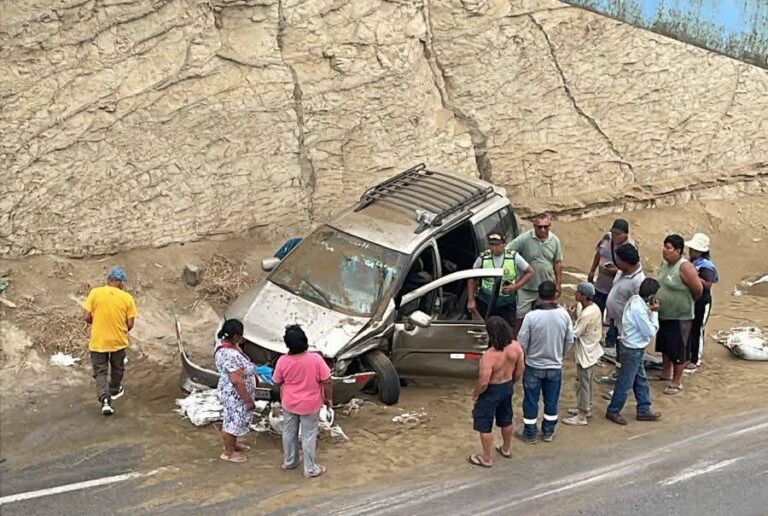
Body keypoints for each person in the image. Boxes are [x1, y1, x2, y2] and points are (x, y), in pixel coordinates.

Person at [516, 281, 573, 443]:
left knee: (531, 401)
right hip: (555, 366)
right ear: (555, 295)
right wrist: (559, 354)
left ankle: (530, 433)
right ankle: (548, 432)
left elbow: (522, 341)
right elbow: (569, 340)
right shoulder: (564, 315)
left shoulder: (531, 317)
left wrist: (527, 356)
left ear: (538, 296)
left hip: (534, 366)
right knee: (552, 401)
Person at [273, 325, 333, 478]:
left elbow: (277, 381)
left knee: (289, 432)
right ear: (305, 341)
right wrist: (328, 398)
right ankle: (310, 468)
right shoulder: (315, 359)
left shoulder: (282, 361)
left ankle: (290, 461)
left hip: (289, 403)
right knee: (308, 435)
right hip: (310, 404)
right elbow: (327, 380)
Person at [468, 317, 525, 468]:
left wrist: (476, 394)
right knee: (506, 418)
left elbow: (484, 381)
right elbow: (520, 371)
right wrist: (511, 383)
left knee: (485, 424)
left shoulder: (489, 355)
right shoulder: (516, 347)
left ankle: (487, 458)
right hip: (506, 387)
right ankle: (506, 449)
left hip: (491, 390)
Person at [605, 278, 663, 425]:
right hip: (632, 348)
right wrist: (655, 313)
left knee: (641, 379)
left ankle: (644, 408)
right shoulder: (639, 309)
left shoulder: (635, 301)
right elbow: (649, 331)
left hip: (631, 346)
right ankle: (613, 410)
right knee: (626, 382)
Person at [83, 267, 138, 416]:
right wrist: (120, 329)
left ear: (108, 280)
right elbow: (130, 324)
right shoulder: (127, 298)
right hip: (118, 340)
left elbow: (86, 316)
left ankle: (105, 401)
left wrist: (97, 324)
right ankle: (114, 389)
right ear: (121, 283)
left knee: (100, 372)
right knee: (117, 367)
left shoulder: (95, 293)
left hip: (98, 341)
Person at [654, 235, 703, 395]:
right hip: (664, 313)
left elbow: (698, 290)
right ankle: (666, 373)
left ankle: (677, 382)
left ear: (678, 250)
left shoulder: (685, 267)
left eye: (668, 248)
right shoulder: (664, 264)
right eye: (664, 246)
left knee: (678, 349)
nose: (664, 250)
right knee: (665, 345)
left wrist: (685, 303)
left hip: (681, 316)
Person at [598, 244, 646, 396]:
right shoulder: (622, 272)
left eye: (619, 260)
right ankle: (619, 378)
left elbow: (641, 307)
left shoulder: (638, 281)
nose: (617, 263)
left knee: (629, 361)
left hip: (628, 328)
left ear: (626, 262)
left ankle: (621, 388)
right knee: (623, 357)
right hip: (616, 322)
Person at [507, 213, 564, 336]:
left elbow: (558, 263)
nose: (543, 229)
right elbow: (508, 251)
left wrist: (558, 284)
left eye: (546, 226)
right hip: (526, 287)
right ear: (534, 226)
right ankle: (515, 341)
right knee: (520, 317)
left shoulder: (555, 241)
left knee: (547, 316)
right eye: (539, 227)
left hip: (546, 287)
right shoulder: (525, 238)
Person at [467, 231, 534, 327]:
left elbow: (530, 272)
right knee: (486, 329)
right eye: (491, 245)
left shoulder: (513, 257)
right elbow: (471, 278)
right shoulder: (483, 257)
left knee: (507, 329)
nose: (494, 248)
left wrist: (516, 286)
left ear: (504, 244)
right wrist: (471, 300)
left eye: (497, 245)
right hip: (486, 301)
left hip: (507, 302)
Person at [215, 319, 258, 463]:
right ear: (235, 336)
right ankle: (228, 452)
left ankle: (233, 444)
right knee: (232, 422)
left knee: (235, 420)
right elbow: (236, 380)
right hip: (235, 394)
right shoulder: (231, 355)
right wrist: (248, 400)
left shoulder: (224, 346)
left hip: (229, 391)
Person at [563, 282, 603, 426]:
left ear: (584, 296)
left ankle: (582, 414)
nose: (575, 294)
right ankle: (585, 407)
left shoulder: (588, 313)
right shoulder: (591, 308)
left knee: (583, 383)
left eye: (578, 292)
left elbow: (575, 333)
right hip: (590, 349)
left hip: (587, 351)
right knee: (585, 382)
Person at [587, 219, 637, 313]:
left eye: (618, 234)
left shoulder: (631, 247)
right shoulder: (607, 237)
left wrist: (618, 271)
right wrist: (592, 270)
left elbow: (632, 270)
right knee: (596, 310)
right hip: (601, 284)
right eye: (613, 232)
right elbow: (598, 253)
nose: (614, 236)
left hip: (617, 288)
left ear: (625, 234)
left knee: (612, 315)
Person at [685, 233, 718, 370]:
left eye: (694, 250)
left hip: (703, 302)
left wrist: (693, 277)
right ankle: (689, 355)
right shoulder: (692, 262)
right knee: (690, 328)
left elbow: (708, 284)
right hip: (693, 300)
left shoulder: (706, 266)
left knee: (698, 329)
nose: (691, 252)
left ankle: (696, 359)